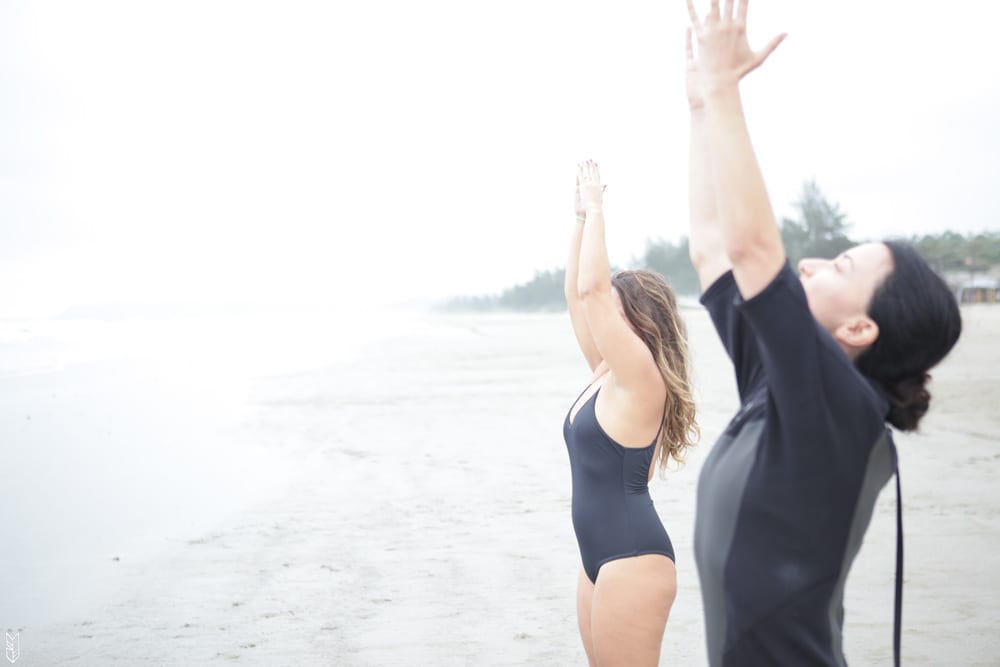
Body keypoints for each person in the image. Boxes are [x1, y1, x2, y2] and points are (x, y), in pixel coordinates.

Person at [683, 1, 962, 665]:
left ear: (861, 327)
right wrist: (699, 109)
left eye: (838, 265)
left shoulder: (837, 408)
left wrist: (725, 91)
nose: (808, 264)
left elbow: (755, 252)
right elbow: (714, 247)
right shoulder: (781, 387)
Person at [563, 160, 699, 666]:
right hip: (595, 558)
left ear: (640, 322)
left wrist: (599, 208)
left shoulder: (643, 380)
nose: (602, 320)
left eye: (614, 311)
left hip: (634, 559)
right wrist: (579, 220)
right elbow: (578, 298)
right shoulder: (605, 371)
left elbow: (591, 292)